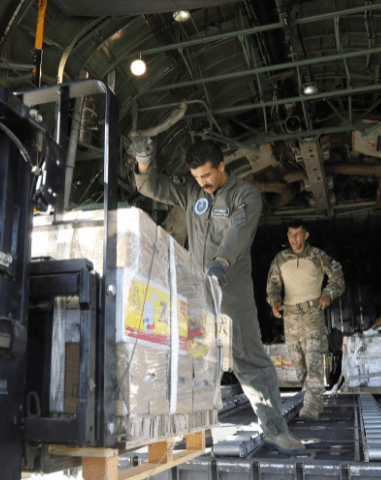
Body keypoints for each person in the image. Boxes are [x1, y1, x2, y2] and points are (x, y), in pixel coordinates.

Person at [131, 136, 305, 455]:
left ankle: (277, 430)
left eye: (207, 175)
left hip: (231, 294)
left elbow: (238, 232)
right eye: (197, 177)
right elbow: (153, 186)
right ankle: (198, 431)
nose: (203, 182)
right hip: (199, 296)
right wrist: (143, 162)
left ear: (222, 166)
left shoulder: (245, 195)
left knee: (248, 360)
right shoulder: (193, 191)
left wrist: (220, 265)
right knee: (197, 362)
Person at [266, 220, 345, 420]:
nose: (294, 239)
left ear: (306, 235)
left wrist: (327, 294)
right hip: (290, 315)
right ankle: (309, 395)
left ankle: (313, 404)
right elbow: (273, 285)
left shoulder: (318, 256)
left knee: (313, 359)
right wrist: (275, 302)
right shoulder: (280, 259)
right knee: (299, 363)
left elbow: (338, 277)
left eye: (298, 234)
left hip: (312, 313)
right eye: (291, 235)